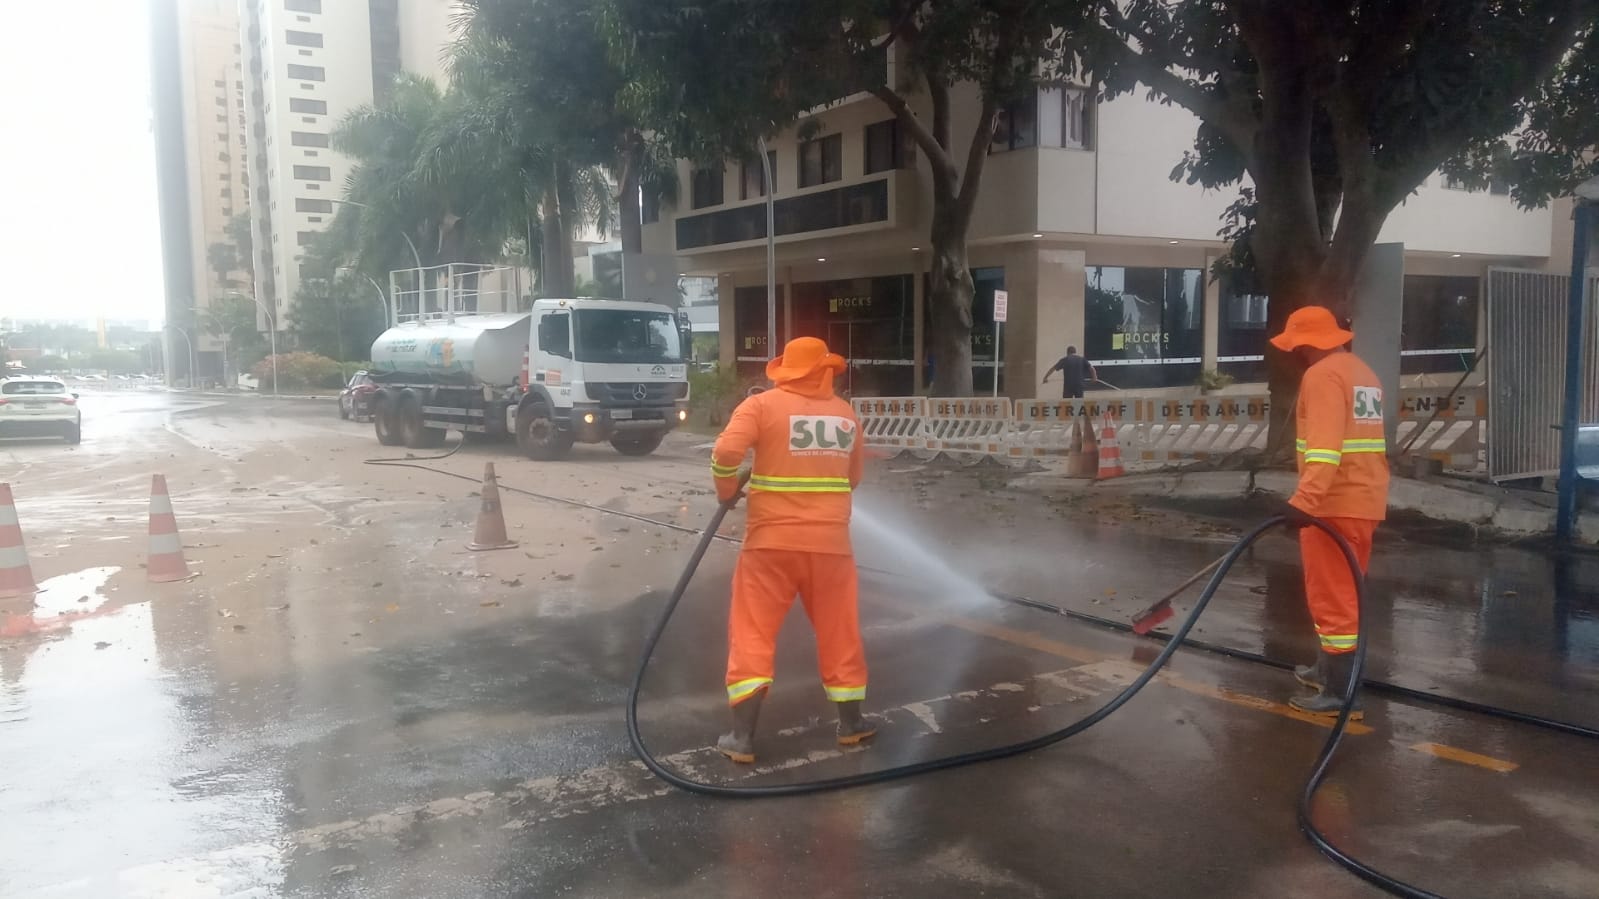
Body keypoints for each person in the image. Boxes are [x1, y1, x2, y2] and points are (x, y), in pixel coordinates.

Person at [710, 336, 872, 763]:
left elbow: (725, 451)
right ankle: (852, 725)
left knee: (752, 633)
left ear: (787, 371)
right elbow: (852, 479)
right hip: (831, 547)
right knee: (840, 633)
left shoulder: (761, 406)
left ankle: (742, 738)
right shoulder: (845, 415)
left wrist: (727, 490)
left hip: (770, 547)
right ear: (825, 370)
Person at [1271, 306, 1391, 718]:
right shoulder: (1362, 373)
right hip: (1363, 501)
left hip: (1332, 507)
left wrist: (1303, 503)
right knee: (1346, 591)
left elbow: (1324, 450)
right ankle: (1327, 670)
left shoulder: (1322, 376)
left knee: (1332, 599)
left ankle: (1340, 692)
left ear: (1305, 345)